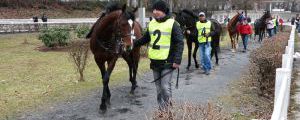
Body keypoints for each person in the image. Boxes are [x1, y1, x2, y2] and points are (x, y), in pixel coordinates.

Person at [133, 0, 184, 111]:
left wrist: (178, 60)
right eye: (154, 9)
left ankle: (168, 111)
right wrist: (133, 44)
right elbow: (146, 38)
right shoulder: (152, 23)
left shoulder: (173, 24)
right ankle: (162, 111)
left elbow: (180, 42)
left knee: (165, 87)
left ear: (164, 11)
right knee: (158, 89)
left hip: (168, 61)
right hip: (155, 61)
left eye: (158, 10)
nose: (155, 12)